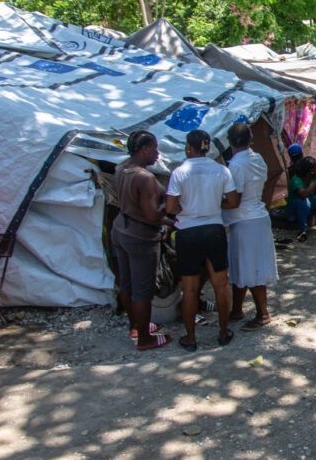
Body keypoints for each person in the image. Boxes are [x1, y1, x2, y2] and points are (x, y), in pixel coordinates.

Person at [166, 129, 240, 351]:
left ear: (189, 147)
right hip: (214, 229)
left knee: (189, 289)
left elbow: (170, 207)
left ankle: (190, 338)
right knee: (221, 284)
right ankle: (224, 331)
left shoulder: (179, 173)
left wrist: (186, 210)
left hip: (188, 232)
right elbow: (233, 201)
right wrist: (214, 206)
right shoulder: (221, 170)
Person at [112, 131, 172, 351]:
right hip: (141, 236)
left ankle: (135, 325)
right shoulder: (144, 178)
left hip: (121, 228)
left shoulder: (121, 168)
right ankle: (145, 338)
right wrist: (171, 203)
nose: (157, 154)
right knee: (142, 289)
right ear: (145, 148)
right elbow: (152, 214)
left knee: (126, 282)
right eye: (155, 148)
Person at [223, 123, 278, 331]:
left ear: (230, 141)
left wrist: (211, 202)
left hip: (244, 219)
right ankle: (237, 309)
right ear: (250, 139)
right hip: (256, 216)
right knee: (241, 265)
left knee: (251, 268)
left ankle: (263, 313)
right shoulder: (257, 158)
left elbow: (233, 200)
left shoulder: (236, 165)